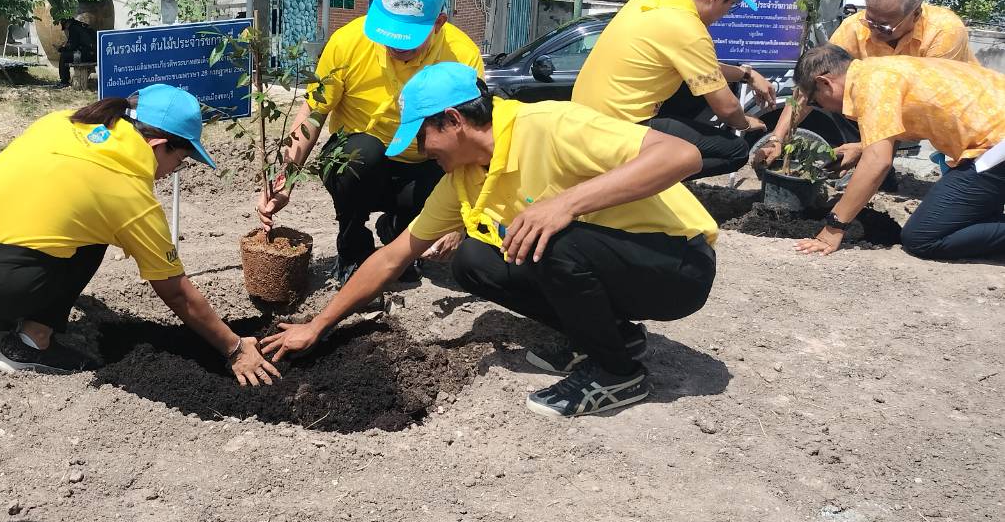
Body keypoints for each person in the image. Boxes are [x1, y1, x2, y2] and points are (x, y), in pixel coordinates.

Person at [262, 63, 718, 419]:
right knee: (474, 260)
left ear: (453, 121)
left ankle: (619, 375)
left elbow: (682, 155)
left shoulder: (549, 125)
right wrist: (318, 325)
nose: (423, 151)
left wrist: (566, 204)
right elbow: (392, 257)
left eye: (423, 137)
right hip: (614, 265)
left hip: (676, 265)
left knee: (554, 237)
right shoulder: (462, 178)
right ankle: (613, 339)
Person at [0, 83, 280, 386]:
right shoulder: (129, 195)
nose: (174, 172)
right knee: (90, 236)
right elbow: (176, 292)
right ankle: (29, 344)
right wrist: (233, 348)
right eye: (179, 161)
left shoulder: (64, 121)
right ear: (157, 146)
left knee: (9, 196)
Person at [256, 0, 483, 282]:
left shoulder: (462, 57)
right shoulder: (348, 43)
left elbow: (472, 140)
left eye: (407, 39)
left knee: (438, 171)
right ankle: (353, 251)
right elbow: (314, 112)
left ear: (439, 22)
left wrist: (458, 220)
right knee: (361, 154)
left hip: (421, 166)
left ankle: (399, 233)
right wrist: (284, 180)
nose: (394, 46)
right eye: (388, 33)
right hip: (361, 163)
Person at [791, 45, 1005, 262]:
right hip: (995, 141)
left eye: (814, 101)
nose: (822, 108)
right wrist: (861, 147)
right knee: (968, 218)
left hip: (997, 147)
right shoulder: (880, 70)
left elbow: (878, 162)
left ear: (824, 83)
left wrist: (834, 227)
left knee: (922, 238)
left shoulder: (869, 85)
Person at [573, 0, 774, 179]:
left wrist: (747, 74)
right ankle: (634, 183)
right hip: (620, 127)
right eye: (733, 5)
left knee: (694, 88)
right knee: (736, 151)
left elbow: (703, 70)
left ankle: (652, 166)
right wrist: (745, 123)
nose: (726, 14)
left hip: (584, 117)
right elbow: (727, 109)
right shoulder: (688, 29)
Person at [756, 0, 977, 168]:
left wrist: (866, 148)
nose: (874, 31)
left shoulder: (944, 32)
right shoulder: (855, 27)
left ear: (915, 14)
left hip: (953, 112)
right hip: (883, 107)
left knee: (965, 169)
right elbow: (813, 81)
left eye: (884, 26)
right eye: (870, 20)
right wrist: (778, 137)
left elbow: (924, 105)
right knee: (838, 98)